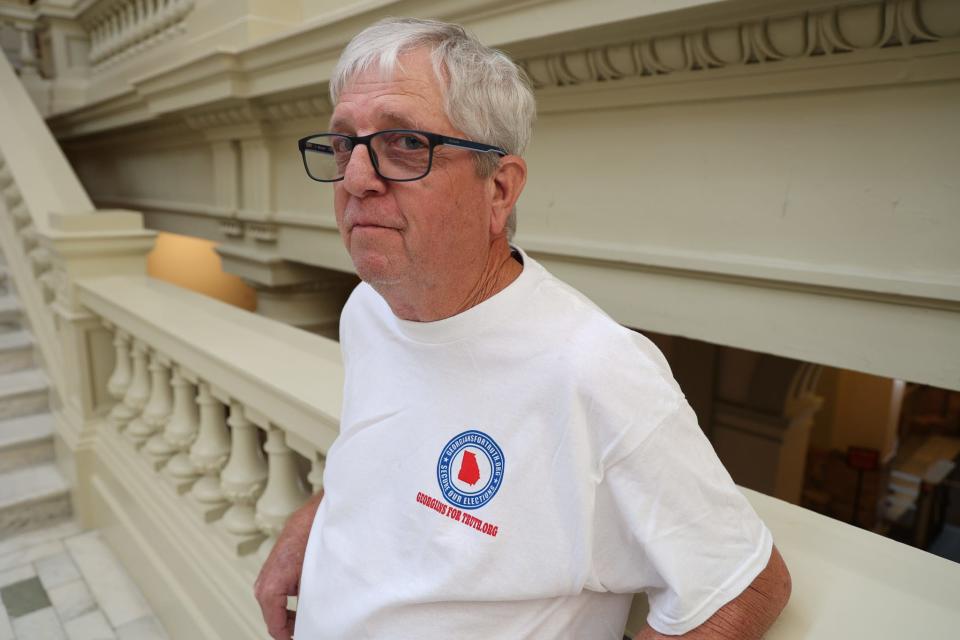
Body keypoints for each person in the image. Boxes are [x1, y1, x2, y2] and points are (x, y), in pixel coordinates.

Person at [255, 17, 791, 640]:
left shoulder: (593, 367)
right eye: (346, 143)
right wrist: (308, 526)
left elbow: (749, 585)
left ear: (500, 189)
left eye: (404, 143)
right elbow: (389, 453)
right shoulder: (369, 308)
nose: (354, 179)